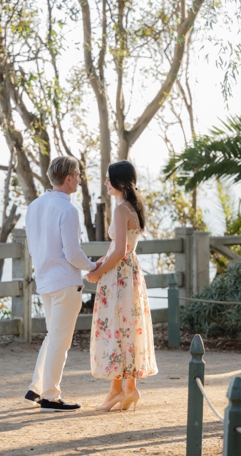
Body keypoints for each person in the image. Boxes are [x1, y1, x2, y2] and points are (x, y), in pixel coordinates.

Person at [23, 155, 98, 412]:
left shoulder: (34, 206)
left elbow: (35, 246)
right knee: (60, 341)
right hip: (65, 282)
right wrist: (93, 266)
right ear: (68, 179)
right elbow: (73, 254)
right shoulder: (67, 210)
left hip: (44, 279)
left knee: (52, 336)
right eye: (77, 175)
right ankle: (50, 397)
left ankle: (36, 388)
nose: (79, 179)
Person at [83, 160, 158, 411]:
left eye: (108, 179)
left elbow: (119, 252)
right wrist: (101, 261)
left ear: (121, 182)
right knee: (126, 327)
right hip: (130, 274)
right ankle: (124, 389)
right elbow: (123, 250)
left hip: (119, 276)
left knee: (117, 327)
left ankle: (122, 390)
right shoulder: (133, 207)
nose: (105, 183)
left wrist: (97, 274)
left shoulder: (120, 210)